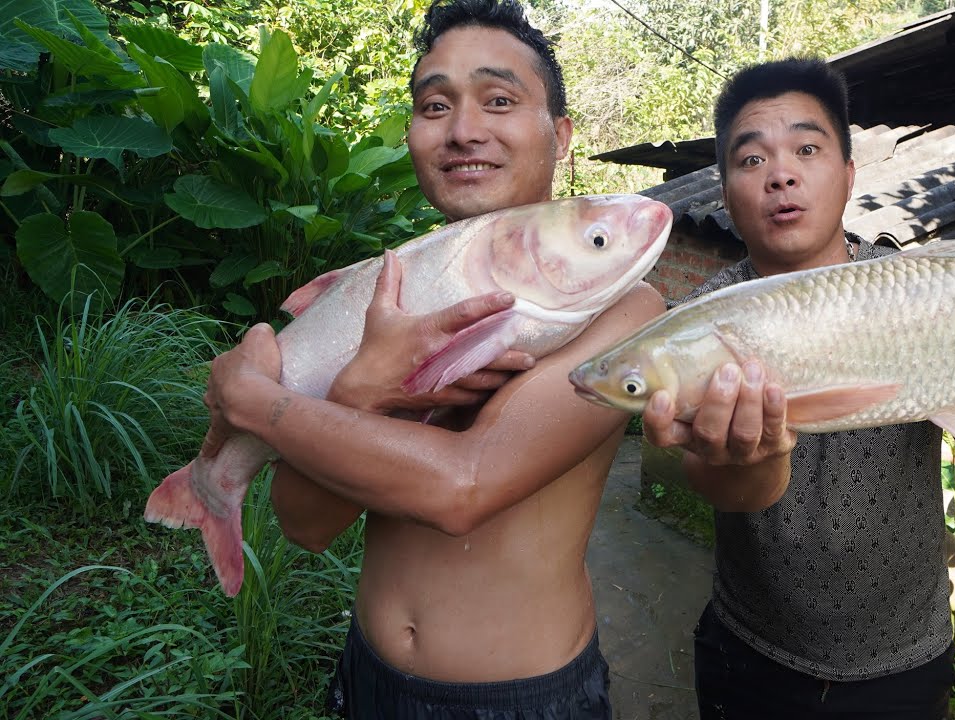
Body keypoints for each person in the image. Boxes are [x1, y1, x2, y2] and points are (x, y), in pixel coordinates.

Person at [642, 58, 955, 720]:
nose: (781, 173)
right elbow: (716, 480)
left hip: (906, 660)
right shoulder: (699, 327)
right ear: (724, 188)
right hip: (750, 653)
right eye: (750, 160)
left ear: (849, 175)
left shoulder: (921, 290)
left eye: (807, 148)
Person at [197, 1, 665, 717]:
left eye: (499, 100)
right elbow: (307, 526)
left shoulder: (624, 309)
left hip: (521, 697)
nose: (463, 129)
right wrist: (360, 393)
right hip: (368, 673)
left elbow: (462, 491)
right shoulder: (386, 286)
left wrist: (255, 401)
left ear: (560, 134)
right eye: (434, 104)